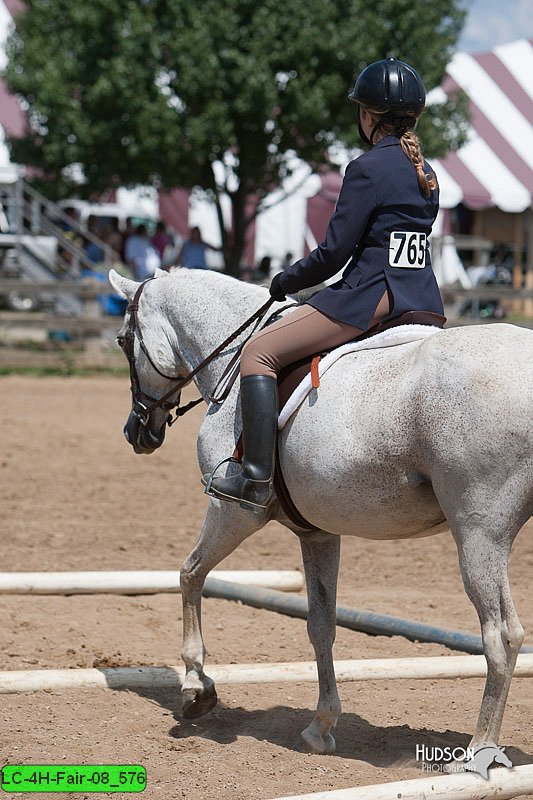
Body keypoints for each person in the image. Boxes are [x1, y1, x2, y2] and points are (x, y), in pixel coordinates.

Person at [206, 57, 445, 512]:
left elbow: (334, 254)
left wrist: (284, 281)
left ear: (368, 116)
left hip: (371, 300)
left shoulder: (367, 168)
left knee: (257, 352)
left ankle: (256, 479)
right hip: (423, 301)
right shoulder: (427, 173)